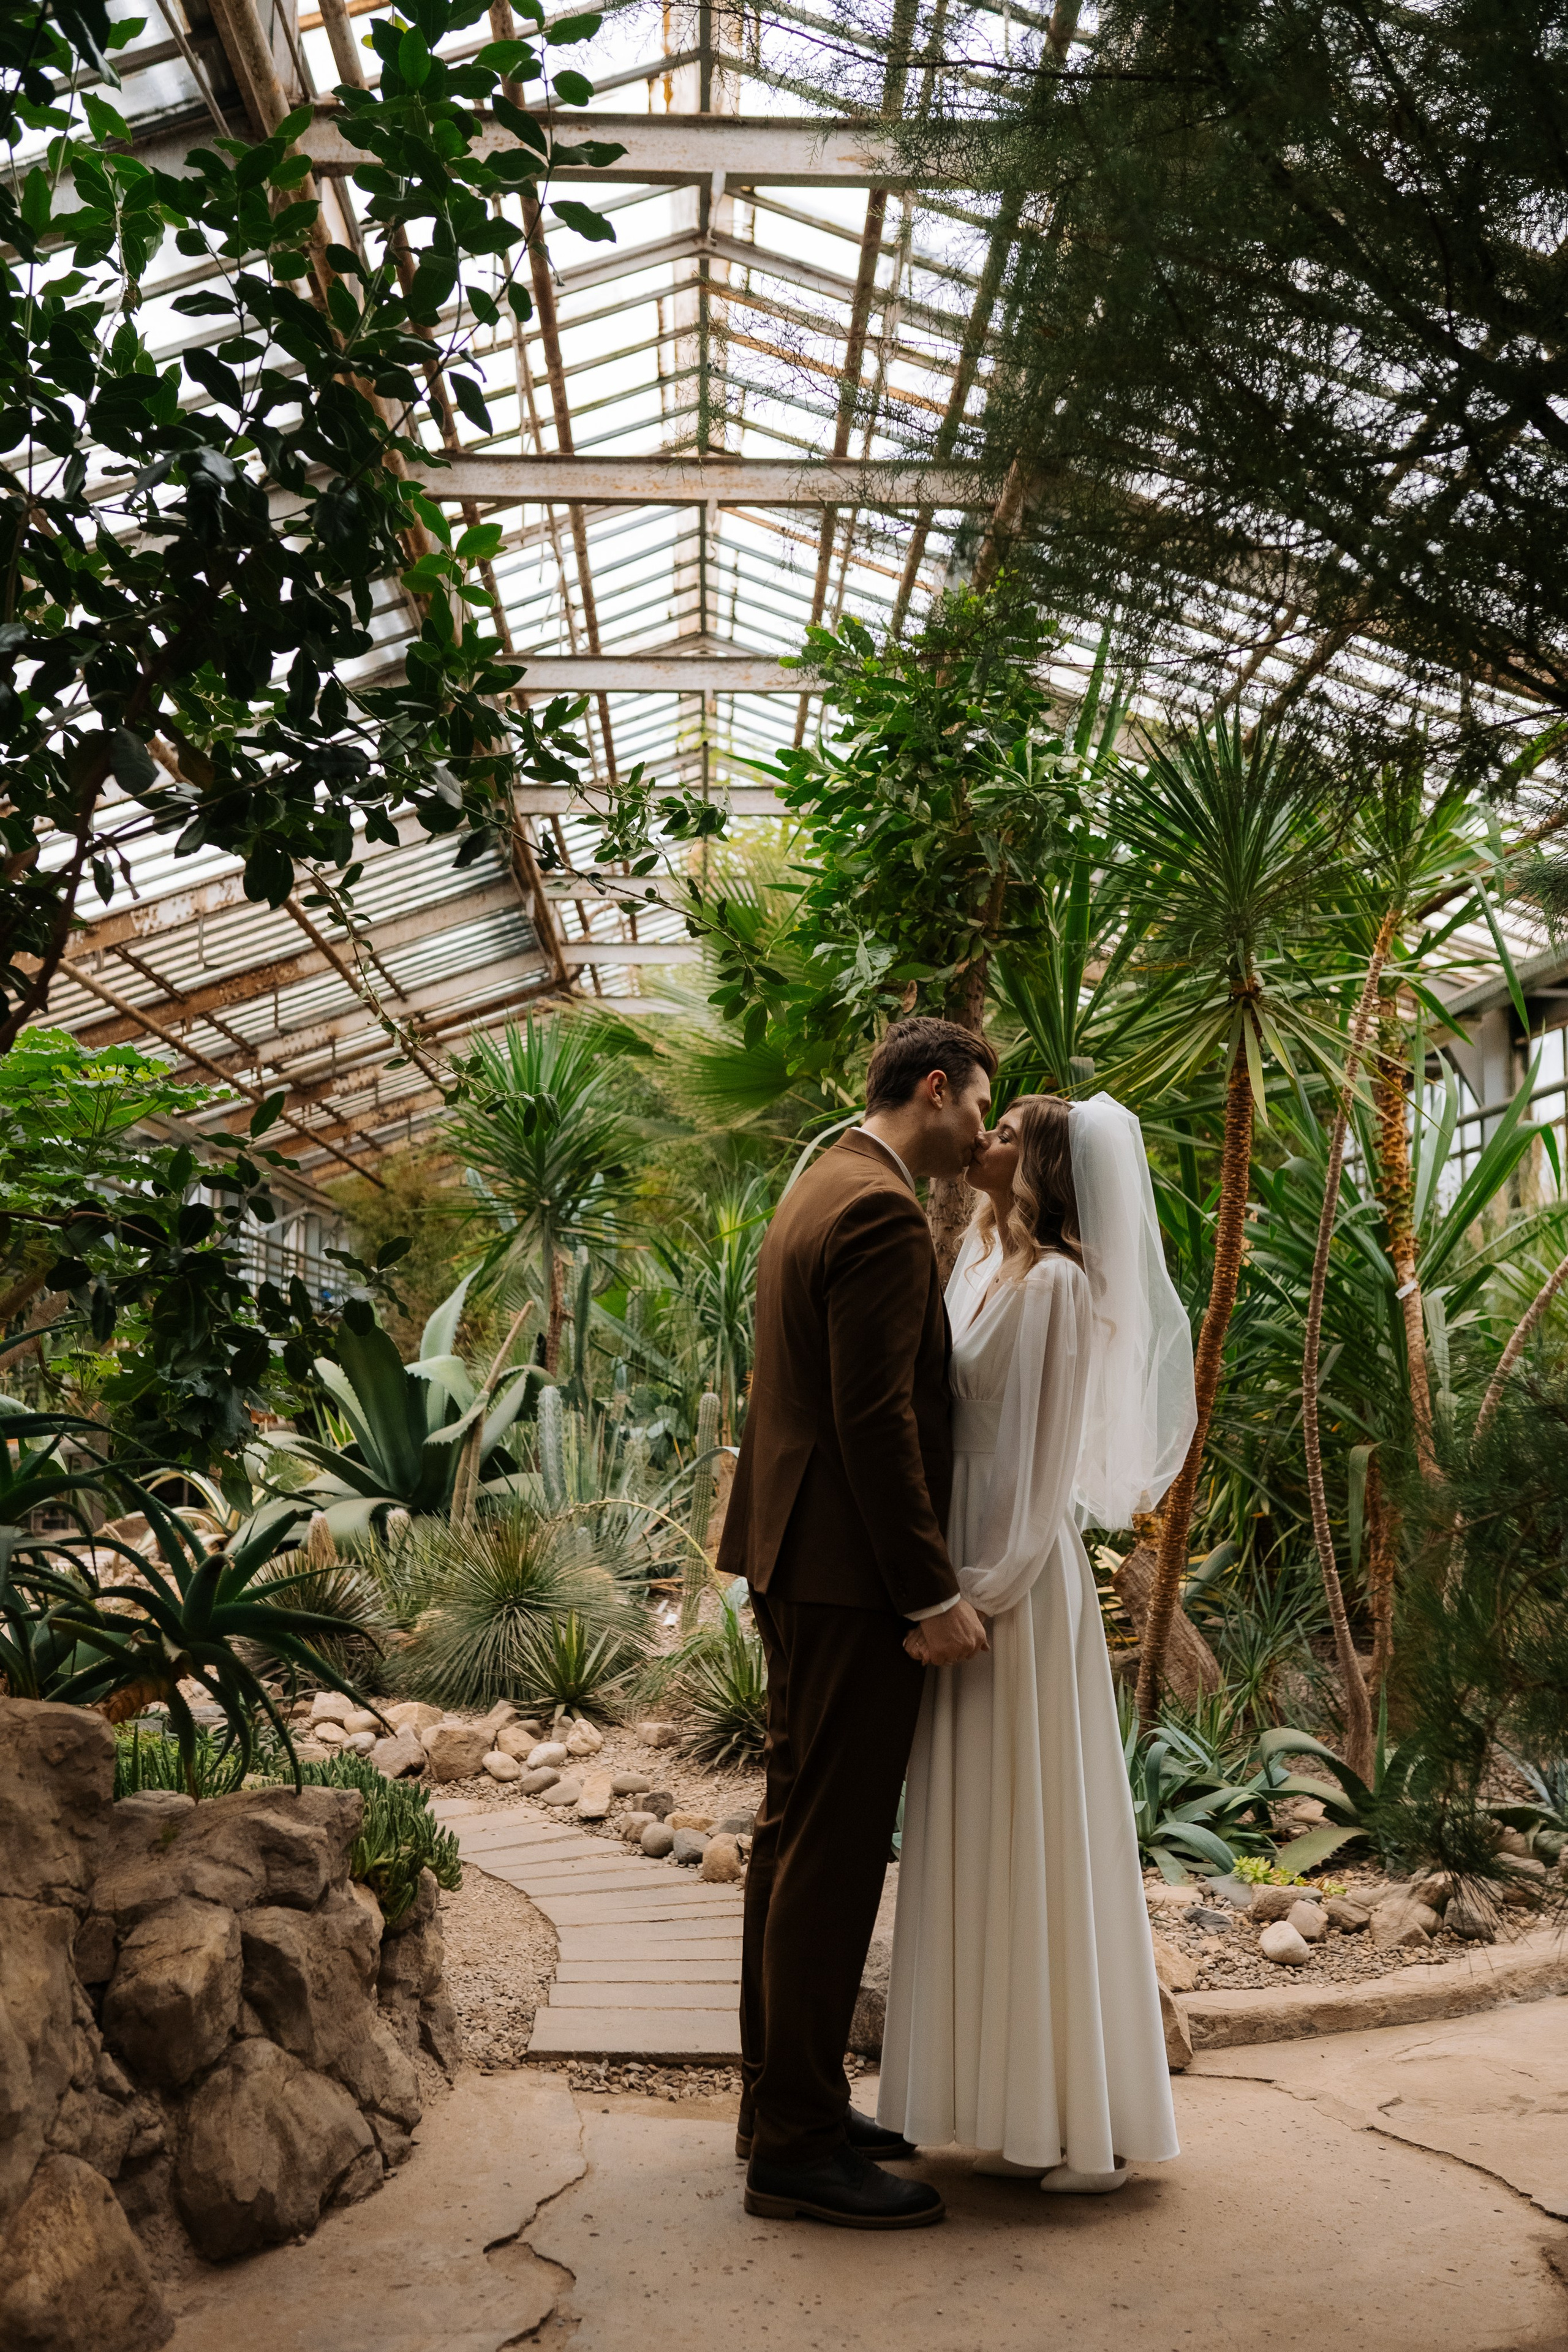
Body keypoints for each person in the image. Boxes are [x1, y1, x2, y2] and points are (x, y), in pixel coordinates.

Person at [878, 1092, 1197, 2187]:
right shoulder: (977, 1258)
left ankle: (1079, 2122)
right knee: (974, 1832)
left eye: (1008, 1131)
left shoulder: (1061, 1284)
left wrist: (974, 1593)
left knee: (1040, 1832)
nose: (985, 1139)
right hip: (965, 1575)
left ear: (1048, 1169)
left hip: (1011, 1584)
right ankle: (980, 2096)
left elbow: (1044, 1470)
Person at [718, 1016, 994, 2230]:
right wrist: (928, 1593)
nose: (983, 1132)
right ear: (933, 1091)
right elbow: (874, 1419)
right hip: (847, 1580)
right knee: (828, 1852)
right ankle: (795, 2151)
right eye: (979, 1107)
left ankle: (785, 2102)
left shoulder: (819, 1177)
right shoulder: (879, 1212)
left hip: (791, 1557)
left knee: (790, 1837)